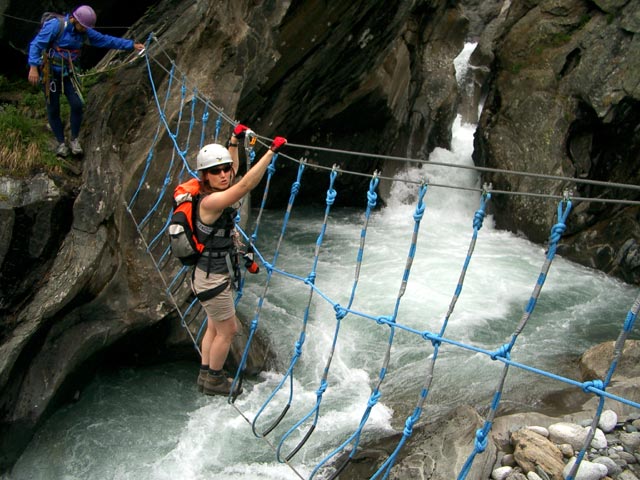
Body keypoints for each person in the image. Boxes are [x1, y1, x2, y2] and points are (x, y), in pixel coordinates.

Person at [194, 124, 287, 396]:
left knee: (213, 326)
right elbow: (245, 184)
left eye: (224, 169)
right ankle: (215, 379)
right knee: (228, 330)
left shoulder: (209, 193)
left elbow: (233, 174)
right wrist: (271, 152)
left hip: (207, 275)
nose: (223, 175)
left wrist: (233, 141)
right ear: (205, 176)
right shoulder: (211, 203)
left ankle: (204, 374)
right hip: (213, 278)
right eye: (216, 171)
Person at [27, 5, 145, 158]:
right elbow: (36, 44)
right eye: (83, 26)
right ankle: (61, 143)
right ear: (74, 19)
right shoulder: (56, 26)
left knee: (77, 104)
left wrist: (131, 45)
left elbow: (105, 40)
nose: (85, 29)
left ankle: (74, 139)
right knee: (53, 107)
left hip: (68, 73)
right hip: (50, 73)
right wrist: (33, 68)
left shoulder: (84, 32)